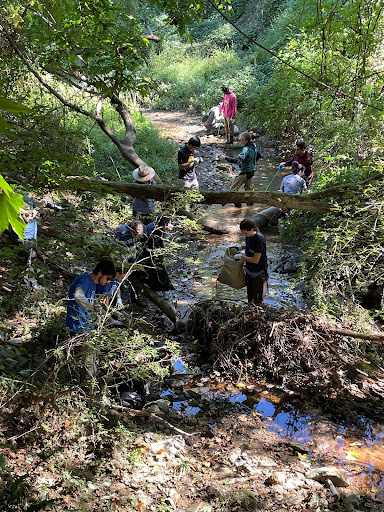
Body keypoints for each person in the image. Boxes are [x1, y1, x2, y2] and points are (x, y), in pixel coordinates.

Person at [66, 260, 116, 334]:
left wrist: (110, 319)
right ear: (100, 273)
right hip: (78, 328)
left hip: (86, 327)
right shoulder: (85, 279)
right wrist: (92, 312)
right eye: (108, 279)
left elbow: (93, 303)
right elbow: (78, 295)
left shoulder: (93, 284)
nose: (109, 282)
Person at [234, 218, 268, 304]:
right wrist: (240, 249)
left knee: (258, 300)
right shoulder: (249, 236)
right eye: (243, 233)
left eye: (245, 233)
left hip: (259, 273)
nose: (244, 235)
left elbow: (255, 260)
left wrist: (242, 257)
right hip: (249, 271)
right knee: (250, 298)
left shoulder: (259, 239)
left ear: (252, 230)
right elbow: (249, 248)